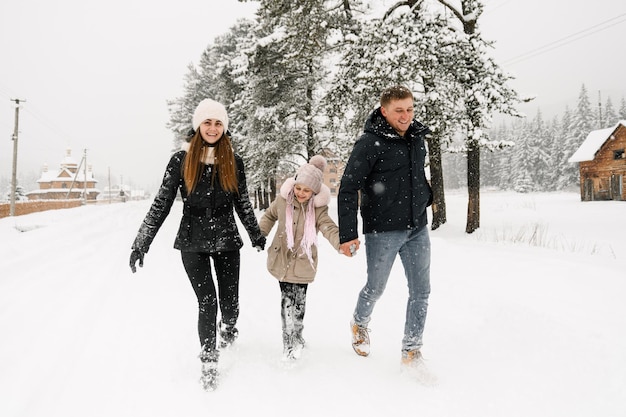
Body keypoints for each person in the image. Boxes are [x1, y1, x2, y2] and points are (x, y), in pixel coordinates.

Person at [128, 98, 266, 391]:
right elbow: (161, 203)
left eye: (218, 123)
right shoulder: (181, 160)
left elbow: (242, 202)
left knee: (230, 306)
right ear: (198, 125)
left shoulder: (233, 161)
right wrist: (142, 243)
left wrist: (255, 234)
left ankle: (228, 326)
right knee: (208, 302)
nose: (213, 128)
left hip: (227, 238)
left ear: (224, 127)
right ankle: (209, 358)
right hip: (192, 240)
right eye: (207, 122)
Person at [338, 85, 433, 370]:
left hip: (417, 227)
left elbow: (417, 175)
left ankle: (412, 351)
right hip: (383, 230)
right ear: (384, 111)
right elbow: (347, 188)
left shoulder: (417, 139)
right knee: (376, 288)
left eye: (410, 109)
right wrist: (348, 234)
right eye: (399, 111)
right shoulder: (369, 142)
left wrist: (428, 198)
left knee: (421, 291)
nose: (406, 116)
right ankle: (359, 322)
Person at [259, 155, 348, 361]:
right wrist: (260, 234)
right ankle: (288, 342)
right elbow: (269, 216)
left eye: (306, 190)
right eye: (299, 188)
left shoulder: (318, 209)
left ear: (314, 192)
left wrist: (340, 243)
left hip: (303, 263)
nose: (301, 193)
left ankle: (298, 333)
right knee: (286, 301)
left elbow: (328, 227)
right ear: (294, 184)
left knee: (300, 303)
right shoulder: (282, 201)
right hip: (282, 258)